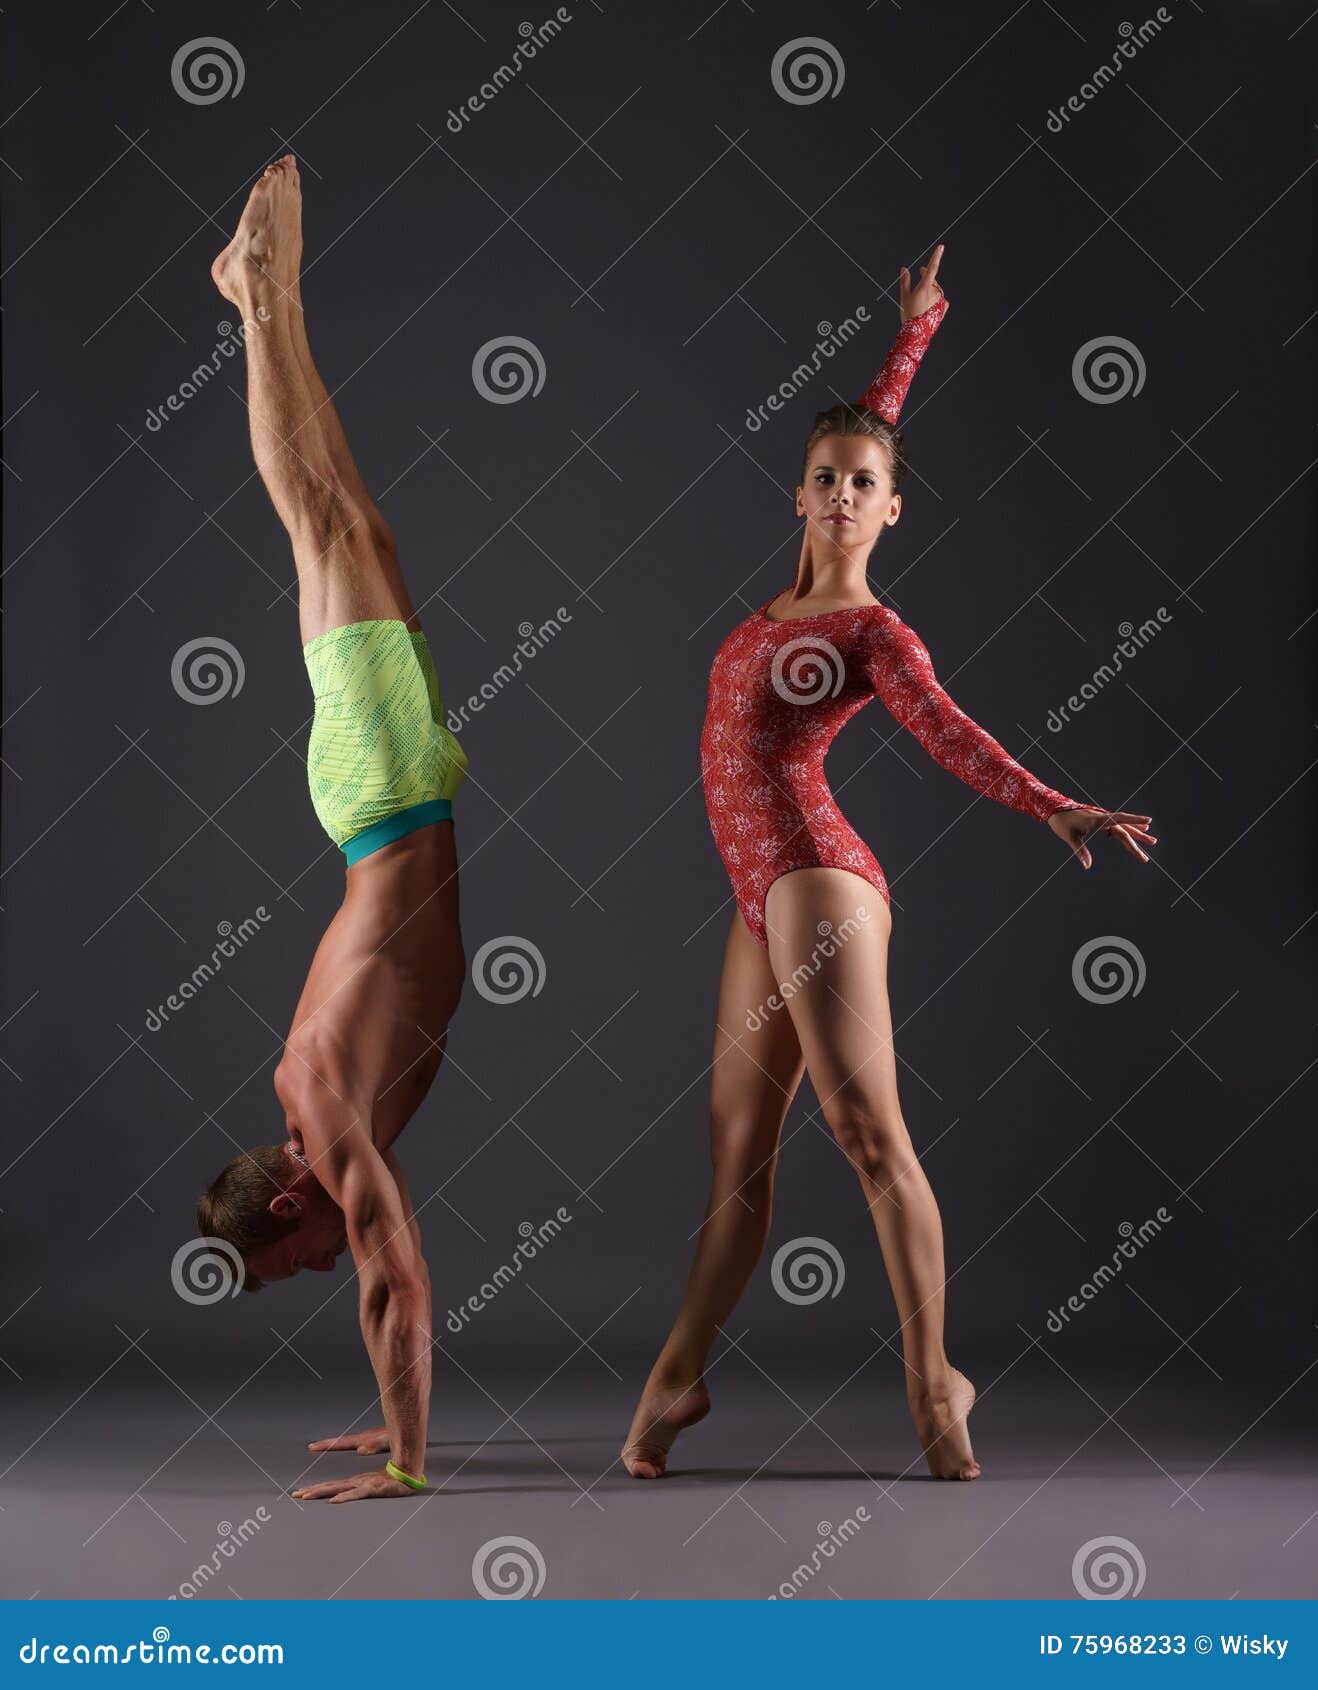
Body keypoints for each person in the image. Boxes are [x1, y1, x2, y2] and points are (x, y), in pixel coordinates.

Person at [621, 244, 1157, 1482]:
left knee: (867, 1132)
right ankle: (677, 1377)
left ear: (892, 509)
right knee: (734, 1153)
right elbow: (866, 428)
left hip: (817, 873)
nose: (845, 493)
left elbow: (949, 732)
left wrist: (1053, 807)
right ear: (798, 495)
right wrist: (911, 334)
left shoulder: (873, 634)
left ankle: (932, 1386)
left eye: (866, 485)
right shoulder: (779, 605)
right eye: (825, 479)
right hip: (753, 899)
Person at [195, 157, 467, 1503]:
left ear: (287, 1203)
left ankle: (256, 301)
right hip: (391, 790)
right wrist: (389, 1413)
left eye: (281, 1262)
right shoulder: (316, 1109)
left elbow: (393, 1282)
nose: (308, 1275)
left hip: (379, 793)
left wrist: (406, 1464)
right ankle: (264, 298)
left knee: (321, 518)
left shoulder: (320, 1110)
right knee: (347, 516)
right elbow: (378, 1288)